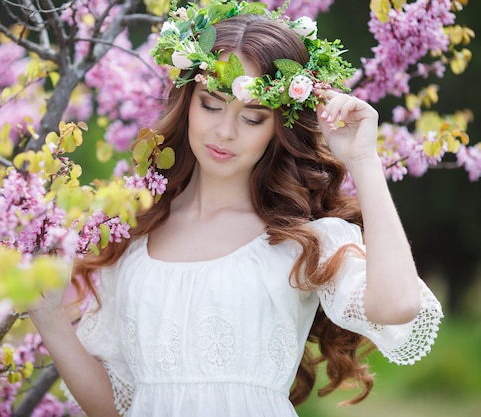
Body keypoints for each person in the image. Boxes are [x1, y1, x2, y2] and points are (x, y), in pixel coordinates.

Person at [28, 1, 443, 416]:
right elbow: (120, 406)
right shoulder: (133, 237)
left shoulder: (302, 240)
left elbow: (397, 306)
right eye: (211, 104)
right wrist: (49, 318)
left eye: (253, 117)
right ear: (187, 100)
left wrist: (364, 161)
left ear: (278, 128)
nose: (224, 132)